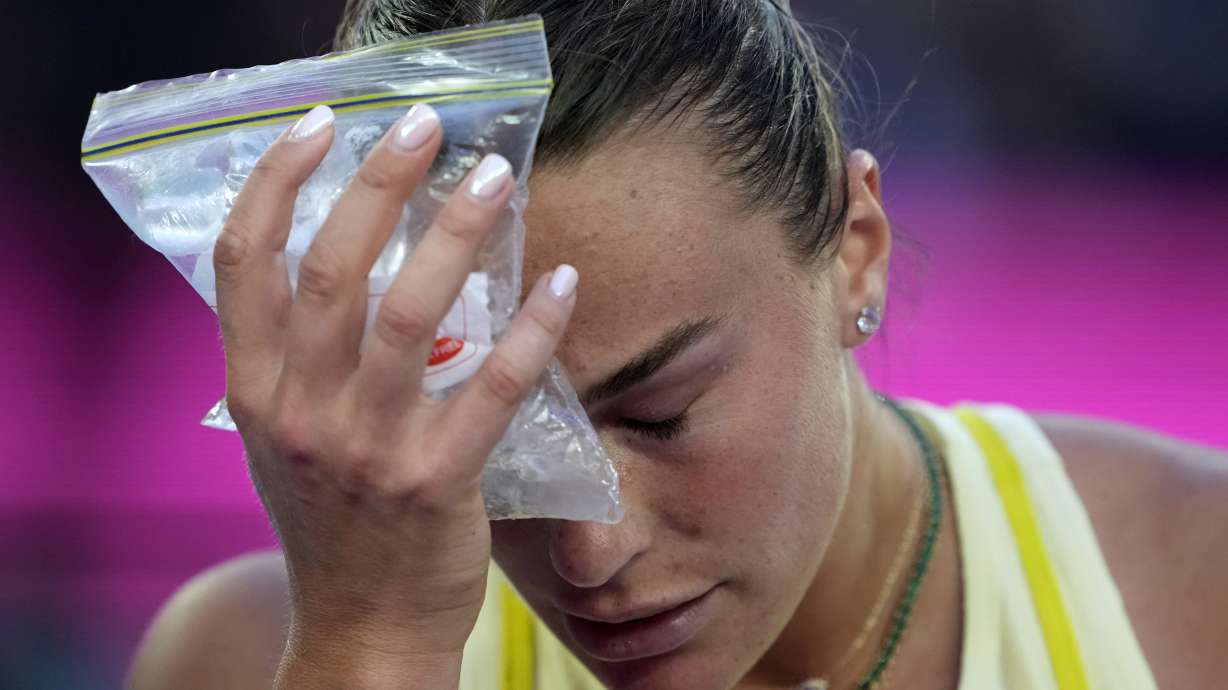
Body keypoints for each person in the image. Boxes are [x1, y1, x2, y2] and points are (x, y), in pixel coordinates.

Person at [123, 1, 1228, 689]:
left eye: (658, 416)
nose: (589, 558)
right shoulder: (248, 657)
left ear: (854, 248)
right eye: (496, 446)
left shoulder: (1196, 598)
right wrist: (371, 651)